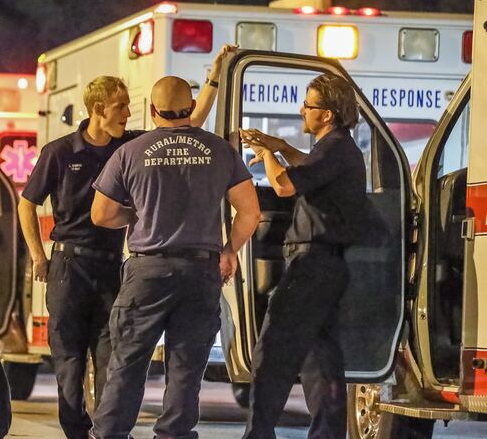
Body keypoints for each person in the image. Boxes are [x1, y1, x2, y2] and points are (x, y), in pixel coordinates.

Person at [18, 45, 236, 439]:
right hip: (68, 265)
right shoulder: (61, 152)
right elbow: (26, 204)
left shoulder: (130, 146)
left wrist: (214, 76)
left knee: (112, 357)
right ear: (97, 109)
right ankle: (75, 431)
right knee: (68, 360)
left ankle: (109, 430)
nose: (126, 113)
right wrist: (37, 255)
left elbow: (189, 118)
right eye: (119, 106)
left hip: (112, 263)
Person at [89, 76, 261, 439]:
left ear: (153, 111)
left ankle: (109, 434)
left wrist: (133, 216)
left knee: (128, 363)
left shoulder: (131, 152)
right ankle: (173, 434)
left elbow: (101, 214)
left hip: (147, 270)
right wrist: (229, 250)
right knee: (186, 367)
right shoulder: (219, 150)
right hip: (200, 270)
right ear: (190, 106)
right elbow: (250, 212)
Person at [239, 73, 365, 439]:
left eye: (308, 105)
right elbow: (309, 165)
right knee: (321, 362)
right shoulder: (338, 149)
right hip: (326, 267)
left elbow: (284, 185)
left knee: (272, 352)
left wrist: (267, 157)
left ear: (326, 115)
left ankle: (258, 434)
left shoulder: (336, 148)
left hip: (310, 267)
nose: (301, 110)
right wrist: (279, 146)